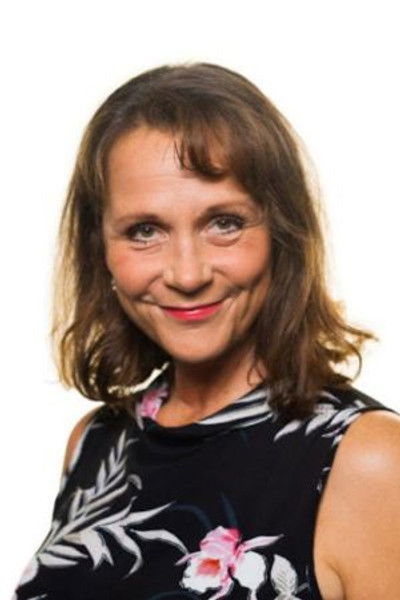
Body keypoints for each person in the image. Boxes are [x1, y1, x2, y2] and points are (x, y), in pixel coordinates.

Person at [13, 63, 400, 600]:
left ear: (282, 233)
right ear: (100, 249)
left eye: (224, 223)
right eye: (144, 231)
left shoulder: (370, 461)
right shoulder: (96, 444)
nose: (187, 274)